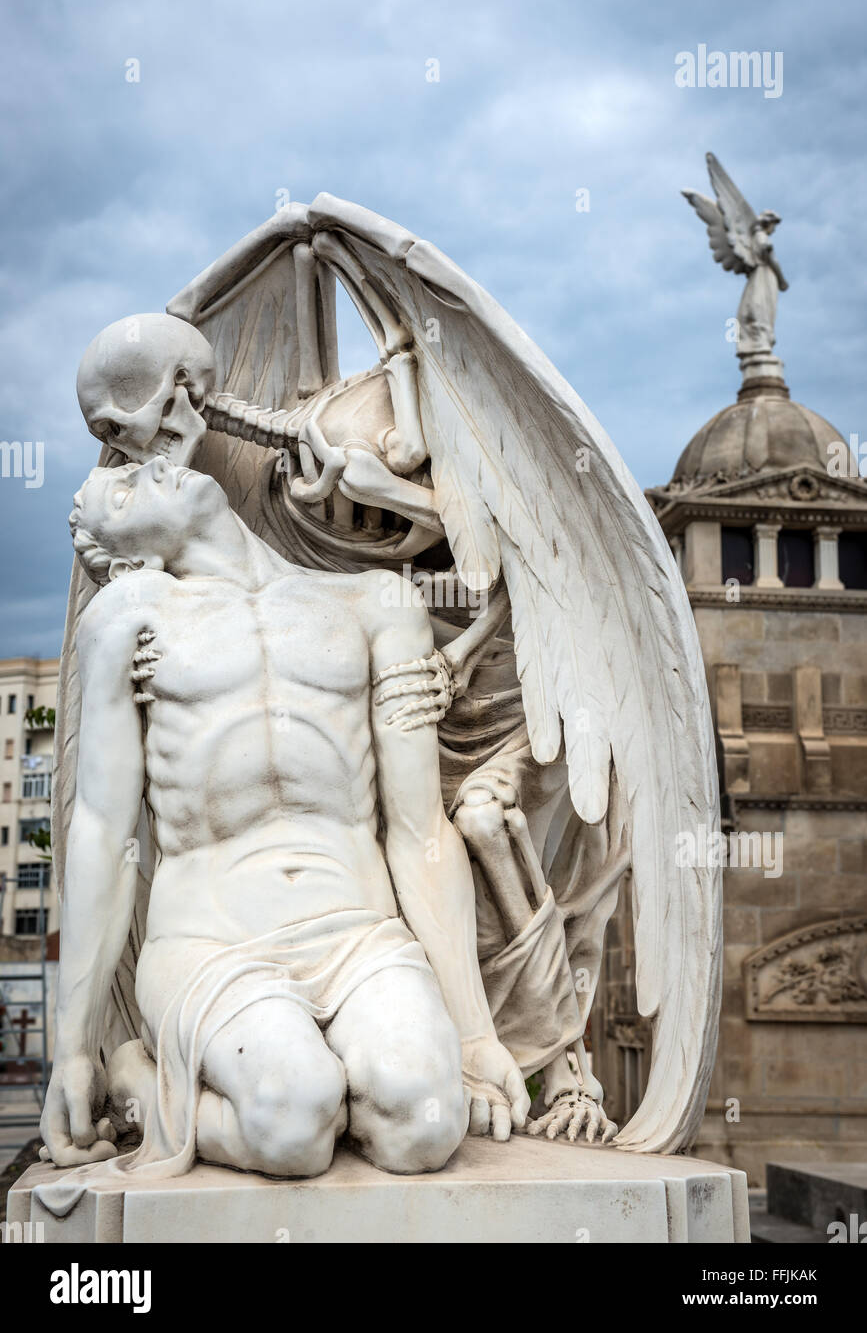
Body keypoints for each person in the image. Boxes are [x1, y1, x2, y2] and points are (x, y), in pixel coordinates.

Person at [41, 455, 527, 1181]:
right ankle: (142, 1080)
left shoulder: (377, 603)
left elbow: (420, 829)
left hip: (359, 932)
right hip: (213, 939)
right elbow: (105, 835)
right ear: (131, 555)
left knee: (424, 1126)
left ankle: (283, 1086)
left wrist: (475, 1033)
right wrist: (73, 1048)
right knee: (292, 1124)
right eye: (121, 489)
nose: (147, 471)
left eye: (144, 464)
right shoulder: (129, 616)